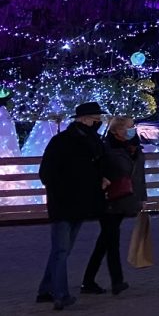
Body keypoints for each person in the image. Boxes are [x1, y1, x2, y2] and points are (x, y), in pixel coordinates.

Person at [37, 101, 107, 310]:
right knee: (61, 250)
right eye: (96, 119)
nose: (99, 122)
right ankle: (60, 294)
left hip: (74, 203)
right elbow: (47, 173)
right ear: (84, 119)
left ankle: (46, 290)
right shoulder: (64, 142)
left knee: (61, 250)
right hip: (66, 203)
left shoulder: (90, 141)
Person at [81, 115, 146, 296]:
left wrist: (141, 198)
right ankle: (116, 281)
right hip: (110, 201)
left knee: (105, 242)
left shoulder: (134, 147)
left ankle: (88, 281)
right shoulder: (107, 149)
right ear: (117, 130)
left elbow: (139, 177)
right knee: (112, 241)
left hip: (125, 199)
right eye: (129, 126)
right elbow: (100, 172)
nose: (133, 129)